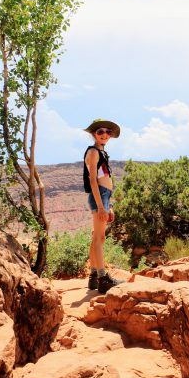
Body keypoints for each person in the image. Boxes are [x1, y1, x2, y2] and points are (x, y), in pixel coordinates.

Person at [83, 119, 120, 293]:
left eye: (108, 132)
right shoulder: (93, 152)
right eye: (100, 132)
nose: (105, 134)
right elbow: (92, 180)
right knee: (99, 239)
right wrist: (101, 205)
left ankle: (93, 277)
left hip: (104, 197)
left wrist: (108, 205)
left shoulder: (102, 152)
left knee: (97, 238)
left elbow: (102, 178)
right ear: (93, 134)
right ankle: (103, 278)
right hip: (99, 197)